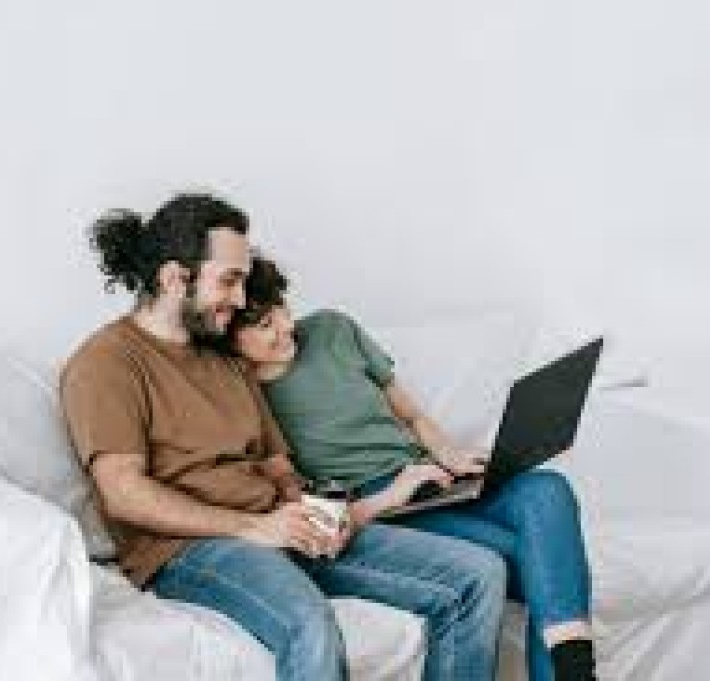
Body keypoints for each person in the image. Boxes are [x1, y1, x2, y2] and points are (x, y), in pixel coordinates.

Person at [59, 193, 506, 681]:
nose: (239, 299)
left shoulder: (225, 360)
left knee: (479, 574)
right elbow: (123, 493)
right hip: (191, 548)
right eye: (229, 281)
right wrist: (252, 527)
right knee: (308, 623)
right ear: (173, 278)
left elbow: (277, 465)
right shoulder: (107, 363)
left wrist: (314, 515)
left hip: (280, 527)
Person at [222, 255, 599, 681]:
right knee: (542, 560)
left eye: (282, 310)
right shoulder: (244, 396)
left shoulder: (333, 328)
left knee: (547, 487)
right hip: (386, 505)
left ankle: (573, 669)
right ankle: (574, 673)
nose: (285, 328)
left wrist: (449, 454)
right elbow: (304, 504)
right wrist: (393, 492)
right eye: (264, 326)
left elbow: (412, 416)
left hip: (429, 477)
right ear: (231, 337)